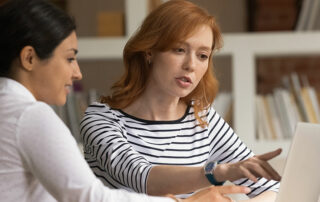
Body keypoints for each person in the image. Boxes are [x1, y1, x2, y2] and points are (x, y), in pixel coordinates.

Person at [0, 0, 252, 201]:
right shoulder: (32, 116)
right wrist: (207, 182)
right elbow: (94, 195)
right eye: (69, 58)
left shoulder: (203, 116)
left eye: (203, 55)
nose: (77, 73)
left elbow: (263, 181)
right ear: (29, 58)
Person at [80, 0, 282, 201]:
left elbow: (272, 188)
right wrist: (217, 173)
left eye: (202, 55)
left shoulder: (202, 118)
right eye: (179, 50)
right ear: (149, 51)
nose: (191, 65)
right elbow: (143, 178)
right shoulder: (101, 119)